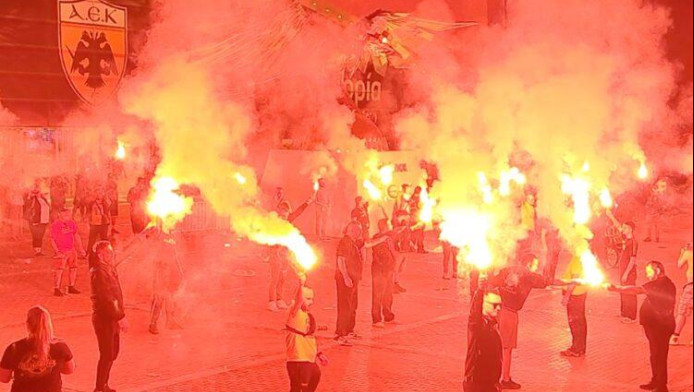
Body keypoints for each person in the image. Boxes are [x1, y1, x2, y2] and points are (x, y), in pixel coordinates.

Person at [491, 254, 556, 389]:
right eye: (534, 265)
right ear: (528, 264)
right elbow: (548, 281)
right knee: (506, 348)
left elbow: (493, 281)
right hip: (509, 313)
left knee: (503, 347)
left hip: (501, 311)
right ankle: (503, 379)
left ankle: (501, 377)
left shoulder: (509, 270)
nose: (535, 268)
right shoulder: (529, 276)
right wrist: (572, 281)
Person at [610, 261, 676, 392]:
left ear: (657, 271)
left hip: (660, 327)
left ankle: (661, 387)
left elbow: (636, 290)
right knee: (655, 355)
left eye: (649, 272)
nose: (647, 275)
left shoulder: (659, 284)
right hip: (656, 326)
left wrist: (617, 288)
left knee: (660, 356)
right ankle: (655, 381)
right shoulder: (666, 283)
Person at [0, 306, 75, 392]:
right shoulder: (60, 346)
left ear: (28, 324)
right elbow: (69, 370)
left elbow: (4, 378)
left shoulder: (14, 348)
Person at [334, 222, 386, 346]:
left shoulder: (355, 242)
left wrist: (382, 238)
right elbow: (340, 260)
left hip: (354, 278)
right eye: (359, 231)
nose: (361, 233)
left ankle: (349, 330)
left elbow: (367, 244)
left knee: (353, 305)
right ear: (352, 230)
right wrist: (346, 276)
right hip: (345, 280)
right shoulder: (345, 242)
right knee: (345, 307)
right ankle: (341, 334)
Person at [91, 241, 128, 392]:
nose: (112, 255)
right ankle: (99, 388)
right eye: (108, 252)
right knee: (107, 354)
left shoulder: (108, 268)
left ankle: (104, 385)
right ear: (100, 255)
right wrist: (121, 317)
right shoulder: (99, 272)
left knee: (113, 353)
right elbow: (107, 297)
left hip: (112, 318)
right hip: (104, 319)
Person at [268, 198, 313, 312]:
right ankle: (271, 301)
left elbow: (299, 211)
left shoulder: (289, 221)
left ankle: (279, 299)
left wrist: (307, 202)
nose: (284, 213)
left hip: (285, 254)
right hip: (276, 254)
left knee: (282, 278)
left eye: (286, 211)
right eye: (282, 211)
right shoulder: (273, 224)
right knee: (275, 278)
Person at [285, 279, 329, 392]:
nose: (311, 302)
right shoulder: (294, 312)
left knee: (314, 378)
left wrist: (319, 354)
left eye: (312, 299)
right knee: (298, 388)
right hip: (298, 360)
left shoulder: (308, 316)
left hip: (309, 359)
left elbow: (310, 337)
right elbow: (298, 301)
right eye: (308, 299)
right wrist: (300, 284)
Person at [464, 282, 503, 392]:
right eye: (495, 304)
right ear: (484, 305)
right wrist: (479, 292)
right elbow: (474, 314)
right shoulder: (476, 326)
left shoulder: (493, 325)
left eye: (500, 304)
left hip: (490, 384)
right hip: (477, 384)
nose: (499, 308)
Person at [607, 210, 639, 323]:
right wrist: (610, 215)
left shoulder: (633, 242)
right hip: (623, 270)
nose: (623, 229)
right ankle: (624, 313)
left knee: (630, 292)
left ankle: (631, 317)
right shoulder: (626, 238)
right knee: (623, 291)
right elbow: (618, 226)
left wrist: (626, 273)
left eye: (625, 228)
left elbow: (632, 259)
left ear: (630, 229)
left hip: (629, 272)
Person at [149, 232, 184, 335]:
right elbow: (158, 268)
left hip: (169, 279)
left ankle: (170, 321)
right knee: (159, 301)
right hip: (162, 280)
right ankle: (153, 324)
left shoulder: (171, 246)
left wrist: (179, 274)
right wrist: (158, 282)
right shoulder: (161, 249)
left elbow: (175, 261)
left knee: (170, 300)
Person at [50, 208, 86, 297]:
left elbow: (76, 235)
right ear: (60, 215)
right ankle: (56, 288)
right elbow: (52, 239)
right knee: (59, 269)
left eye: (68, 215)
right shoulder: (56, 225)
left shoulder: (72, 223)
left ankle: (71, 286)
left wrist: (81, 248)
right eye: (66, 215)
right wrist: (57, 251)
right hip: (61, 250)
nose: (68, 216)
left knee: (73, 268)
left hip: (71, 249)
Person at [560, 256, 589, 357]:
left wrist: (567, 296)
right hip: (581, 293)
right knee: (580, 322)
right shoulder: (584, 256)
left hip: (575, 295)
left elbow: (575, 279)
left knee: (575, 323)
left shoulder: (577, 259)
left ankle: (576, 349)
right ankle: (580, 348)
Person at [371, 219, 398, 328]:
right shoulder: (377, 238)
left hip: (389, 269)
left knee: (388, 293)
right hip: (380, 270)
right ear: (384, 226)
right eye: (389, 225)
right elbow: (380, 255)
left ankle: (387, 314)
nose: (391, 226)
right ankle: (376, 318)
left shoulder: (389, 237)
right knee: (378, 295)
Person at [671, 243, 693, 346]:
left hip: (690, 286)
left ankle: (675, 337)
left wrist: (682, 253)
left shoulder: (688, 253)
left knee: (682, 312)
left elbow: (679, 265)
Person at [24, 184, 51, 256]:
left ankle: (39, 249)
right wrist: (30, 195)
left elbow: (48, 207)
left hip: (44, 220)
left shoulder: (43, 198)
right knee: (36, 235)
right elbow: (27, 205)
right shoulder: (32, 199)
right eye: (36, 190)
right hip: (35, 220)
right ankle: (37, 250)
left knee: (41, 235)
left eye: (38, 190)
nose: (37, 192)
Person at [87, 191, 112, 267]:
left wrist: (109, 222)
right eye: (98, 193)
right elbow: (88, 212)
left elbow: (108, 211)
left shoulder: (105, 203)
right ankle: (89, 253)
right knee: (92, 239)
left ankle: (107, 252)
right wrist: (89, 221)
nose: (99, 195)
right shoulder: (91, 203)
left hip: (103, 223)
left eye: (101, 193)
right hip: (94, 223)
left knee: (104, 239)